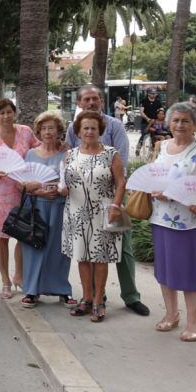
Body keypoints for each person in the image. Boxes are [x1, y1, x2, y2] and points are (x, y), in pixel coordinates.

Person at [66, 85, 150, 316]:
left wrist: (115, 202)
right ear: (80, 102)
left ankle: (131, 297)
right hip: (82, 203)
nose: (91, 102)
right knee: (87, 252)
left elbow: (120, 161)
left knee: (124, 250)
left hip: (112, 198)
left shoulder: (115, 125)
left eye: (95, 98)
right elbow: (70, 159)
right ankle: (94, 297)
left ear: (101, 101)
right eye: (87, 99)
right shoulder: (73, 129)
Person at [148, 102, 196, 341]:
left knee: (189, 271)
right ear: (169, 122)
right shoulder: (162, 146)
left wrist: (171, 193)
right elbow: (151, 176)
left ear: (195, 124)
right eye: (175, 120)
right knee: (165, 269)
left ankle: (195, 322)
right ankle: (171, 314)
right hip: (160, 217)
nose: (179, 125)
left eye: (185, 121)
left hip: (189, 221)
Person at [60, 111, 125, 323]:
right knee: (82, 257)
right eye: (85, 128)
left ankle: (98, 300)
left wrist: (116, 204)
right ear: (78, 131)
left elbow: (121, 182)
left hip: (104, 212)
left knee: (99, 258)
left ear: (100, 131)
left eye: (93, 128)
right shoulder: (70, 155)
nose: (89, 132)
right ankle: (86, 298)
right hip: (76, 212)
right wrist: (62, 189)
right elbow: (64, 181)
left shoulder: (110, 153)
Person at [0, 98, 40, 298]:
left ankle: (19, 276)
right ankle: (5, 279)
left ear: (15, 113)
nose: (6, 116)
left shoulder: (25, 131)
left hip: (21, 191)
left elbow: (39, 151)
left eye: (9, 112)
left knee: (22, 235)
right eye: (1, 113)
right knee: (1, 236)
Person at [18, 111, 74, 308]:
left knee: (59, 249)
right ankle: (31, 290)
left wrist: (61, 189)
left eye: (52, 128)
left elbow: (71, 182)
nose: (48, 132)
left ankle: (62, 289)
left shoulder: (67, 154)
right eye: (44, 128)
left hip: (59, 207)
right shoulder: (30, 154)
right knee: (33, 247)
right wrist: (40, 192)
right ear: (38, 132)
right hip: (36, 206)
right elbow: (21, 184)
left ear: (59, 131)